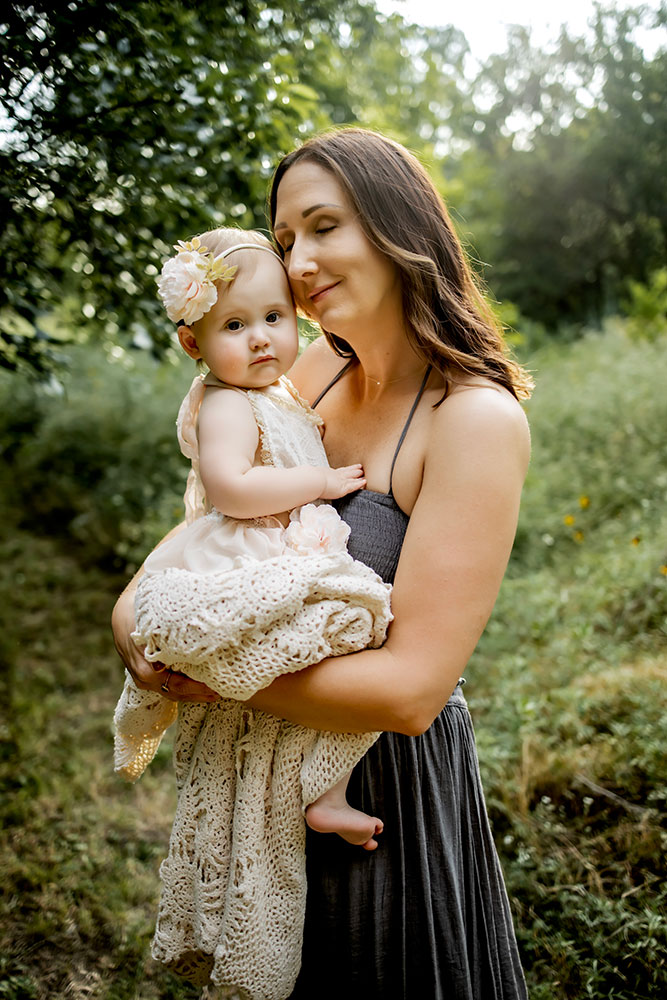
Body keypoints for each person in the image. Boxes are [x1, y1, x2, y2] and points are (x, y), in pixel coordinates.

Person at [113, 128, 533, 999]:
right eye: (284, 239)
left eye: (323, 227)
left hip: (379, 787)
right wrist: (133, 611)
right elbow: (223, 509)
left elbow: (411, 693)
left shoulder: (472, 420)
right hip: (266, 768)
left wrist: (209, 668)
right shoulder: (313, 369)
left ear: (395, 225)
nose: (299, 260)